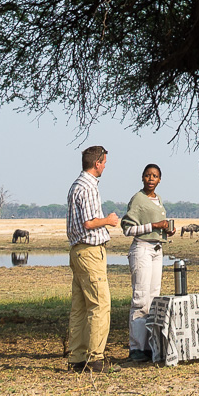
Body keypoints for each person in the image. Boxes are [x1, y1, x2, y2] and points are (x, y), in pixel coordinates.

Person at [65, 145, 122, 372]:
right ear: (97, 163)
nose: (105, 166)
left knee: (80, 307)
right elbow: (89, 222)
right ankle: (95, 358)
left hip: (77, 251)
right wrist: (108, 220)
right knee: (100, 304)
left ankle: (77, 357)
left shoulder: (76, 185)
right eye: (104, 162)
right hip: (90, 251)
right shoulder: (88, 187)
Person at [120, 162, 174, 362]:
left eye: (155, 176)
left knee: (153, 299)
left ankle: (150, 345)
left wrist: (165, 230)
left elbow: (156, 227)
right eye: (148, 175)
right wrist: (154, 225)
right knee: (140, 299)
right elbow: (128, 230)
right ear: (142, 177)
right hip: (142, 248)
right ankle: (136, 348)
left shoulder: (158, 199)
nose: (151, 179)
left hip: (157, 249)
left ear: (160, 179)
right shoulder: (138, 199)